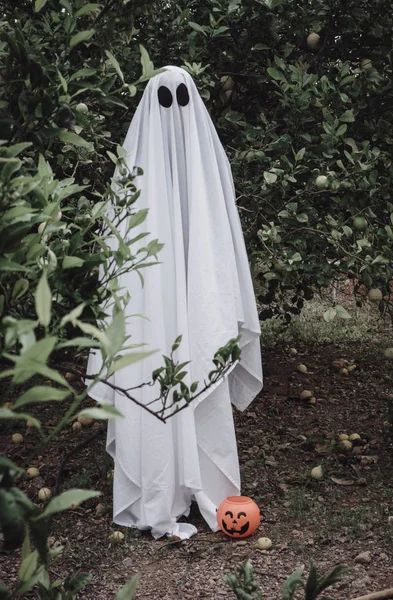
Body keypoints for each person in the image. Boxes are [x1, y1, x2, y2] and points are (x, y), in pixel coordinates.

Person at [86, 66, 263, 539]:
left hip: (197, 302)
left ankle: (204, 483)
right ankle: (158, 491)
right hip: (153, 314)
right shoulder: (134, 176)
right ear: (149, 107)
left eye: (182, 97)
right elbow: (119, 263)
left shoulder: (208, 168)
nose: (174, 110)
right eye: (163, 99)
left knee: (199, 353)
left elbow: (221, 251)